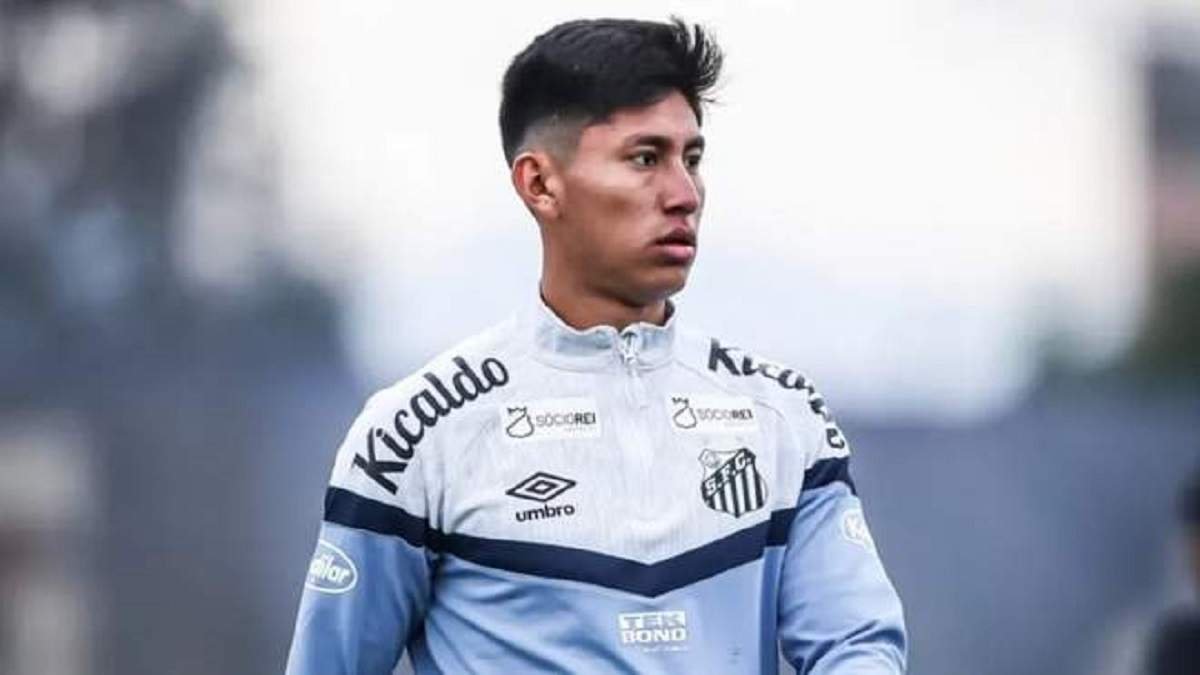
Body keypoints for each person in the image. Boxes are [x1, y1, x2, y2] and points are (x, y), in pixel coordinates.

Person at [285, 17, 907, 674]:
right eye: (645, 159)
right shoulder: (415, 432)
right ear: (540, 184)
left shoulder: (782, 417)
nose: (684, 194)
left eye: (692, 159)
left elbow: (857, 645)